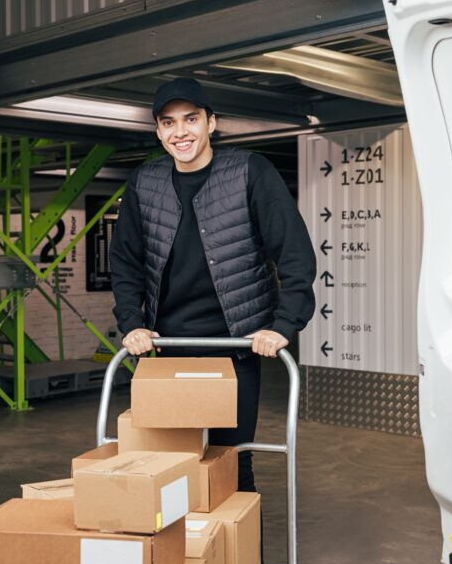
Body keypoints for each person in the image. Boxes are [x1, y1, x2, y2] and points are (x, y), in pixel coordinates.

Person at [110, 77, 316, 492]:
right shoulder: (144, 183)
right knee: (166, 467)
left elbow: (294, 251)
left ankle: (234, 556)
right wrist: (131, 323)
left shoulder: (249, 172)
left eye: (191, 119)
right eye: (168, 123)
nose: (180, 132)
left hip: (235, 350)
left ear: (212, 123)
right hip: (166, 351)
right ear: (158, 131)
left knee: (232, 465)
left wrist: (282, 325)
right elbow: (126, 261)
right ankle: (185, 555)